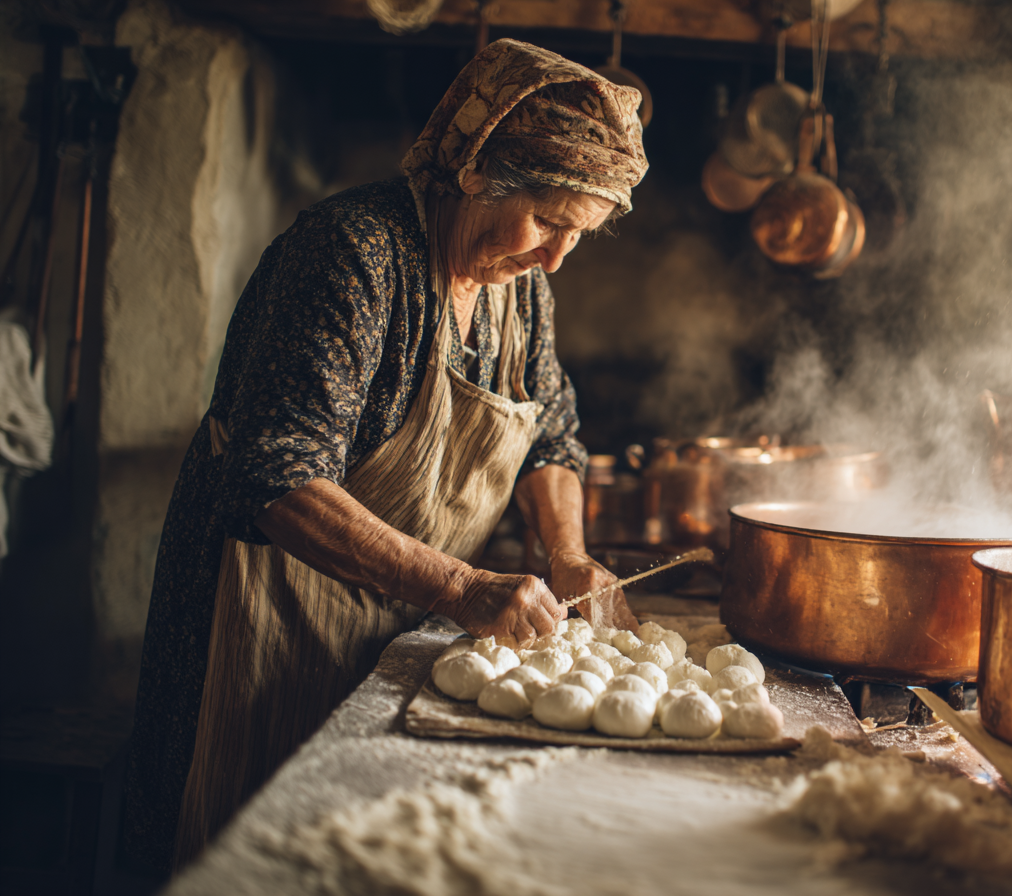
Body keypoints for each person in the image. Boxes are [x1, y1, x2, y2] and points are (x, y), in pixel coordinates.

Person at [121, 39, 648, 875]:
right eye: (547, 221)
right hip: (262, 626)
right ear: (477, 174)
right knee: (245, 854)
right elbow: (275, 479)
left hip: (392, 623)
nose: (554, 256)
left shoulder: (521, 289)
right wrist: (461, 587)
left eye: (576, 235)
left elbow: (552, 437)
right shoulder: (353, 257)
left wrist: (570, 555)